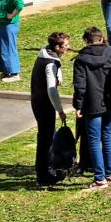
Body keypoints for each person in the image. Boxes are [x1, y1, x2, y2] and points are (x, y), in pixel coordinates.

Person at [72, 26, 111, 188]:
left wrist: (78, 105)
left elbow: (80, 85)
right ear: (101, 39)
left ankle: (99, 178)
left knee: (94, 140)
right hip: (110, 102)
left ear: (86, 41)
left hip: (91, 104)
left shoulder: (81, 59)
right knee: (107, 136)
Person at [29, 31, 71, 188]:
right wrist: (60, 110)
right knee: (45, 140)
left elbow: (55, 67)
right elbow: (51, 89)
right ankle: (43, 176)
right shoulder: (49, 64)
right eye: (65, 46)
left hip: (37, 101)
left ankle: (49, 170)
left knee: (47, 137)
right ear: (57, 46)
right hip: (44, 104)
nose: (68, 48)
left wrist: (59, 72)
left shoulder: (45, 54)